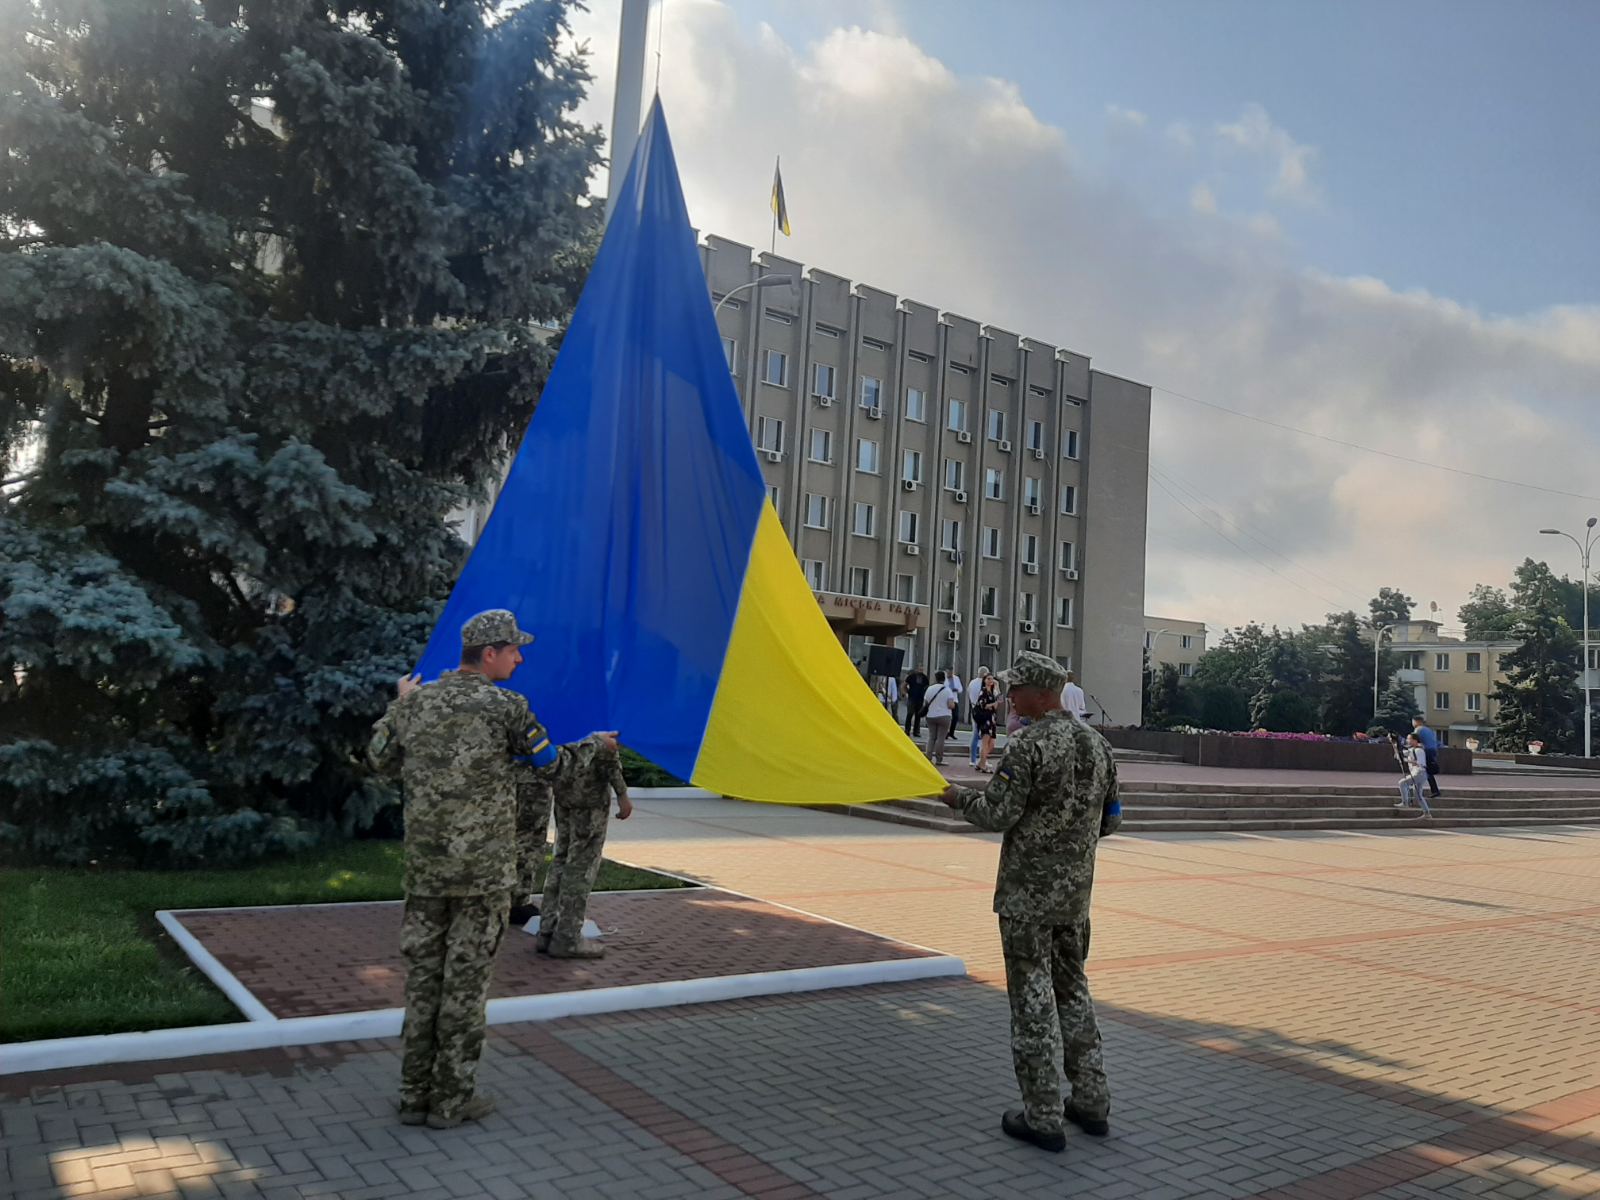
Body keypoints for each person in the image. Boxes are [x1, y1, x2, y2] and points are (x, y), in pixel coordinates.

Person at [368, 609, 616, 1130]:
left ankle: (414, 1096)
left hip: (426, 872)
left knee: (423, 983)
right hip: (483, 877)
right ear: (489, 654)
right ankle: (451, 1102)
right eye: (514, 650)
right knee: (465, 986)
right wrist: (595, 745)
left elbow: (380, 759)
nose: (520, 658)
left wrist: (400, 705)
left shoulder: (419, 703)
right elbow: (554, 767)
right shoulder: (507, 707)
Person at [936, 652, 1119, 1153]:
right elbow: (1112, 820)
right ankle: (1093, 1102)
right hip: (1075, 899)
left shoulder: (1031, 745)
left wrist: (951, 796)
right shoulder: (1100, 747)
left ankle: (1043, 1116)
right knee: (1074, 994)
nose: (1010, 697)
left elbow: (998, 813)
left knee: (1032, 1004)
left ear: (1041, 692)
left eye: (1017, 689)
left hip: (1026, 900)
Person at [538, 745, 634, 957]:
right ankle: (567, 937)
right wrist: (622, 793)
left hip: (564, 793)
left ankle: (547, 929)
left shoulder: (562, 715)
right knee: (580, 867)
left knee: (560, 860)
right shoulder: (597, 720)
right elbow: (607, 754)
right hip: (589, 801)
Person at [923, 671, 958, 765]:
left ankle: (928, 757)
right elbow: (951, 705)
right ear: (944, 679)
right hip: (944, 716)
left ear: (935, 678)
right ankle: (939, 759)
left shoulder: (930, 689)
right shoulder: (947, 690)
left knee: (931, 737)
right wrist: (953, 705)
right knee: (940, 738)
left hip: (930, 716)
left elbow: (925, 703)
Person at [1395, 732, 1434, 817]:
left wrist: (1406, 760)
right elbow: (1400, 753)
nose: (1408, 740)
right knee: (1418, 795)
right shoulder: (1411, 750)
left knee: (1402, 783)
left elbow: (1420, 763)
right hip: (1419, 774)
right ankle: (1427, 813)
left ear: (1415, 740)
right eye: (1408, 739)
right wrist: (1395, 745)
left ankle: (1405, 803)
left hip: (1419, 773)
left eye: (1410, 739)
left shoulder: (1419, 750)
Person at [973, 674, 1001, 773]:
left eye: (992, 679)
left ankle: (980, 762)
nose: (990, 681)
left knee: (992, 744)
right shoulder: (984, 692)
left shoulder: (992, 692)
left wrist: (997, 687)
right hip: (985, 719)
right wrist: (993, 704)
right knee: (985, 742)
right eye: (988, 679)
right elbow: (983, 705)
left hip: (992, 719)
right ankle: (983, 765)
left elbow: (999, 702)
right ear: (984, 680)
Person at [1411, 715, 1442, 799]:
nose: (1412, 723)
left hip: (1426, 751)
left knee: (1426, 771)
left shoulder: (1418, 729)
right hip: (1433, 750)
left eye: (1413, 721)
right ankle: (1434, 790)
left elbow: (1414, 741)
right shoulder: (1428, 729)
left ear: (1417, 722)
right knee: (1428, 771)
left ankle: (1434, 791)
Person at [968, 666, 993, 767]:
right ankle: (983, 759)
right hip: (985, 711)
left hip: (974, 709)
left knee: (975, 734)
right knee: (985, 736)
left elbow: (969, 693)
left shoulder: (972, 683)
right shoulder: (985, 685)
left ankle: (972, 759)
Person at [904, 665, 930, 738]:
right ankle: (907, 730)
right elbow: (905, 684)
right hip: (912, 698)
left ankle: (916, 731)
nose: (920, 670)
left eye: (922, 669)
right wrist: (906, 692)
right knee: (910, 714)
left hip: (920, 699)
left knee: (918, 715)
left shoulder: (925, 678)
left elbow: (927, 688)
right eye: (919, 669)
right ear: (917, 669)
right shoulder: (911, 677)